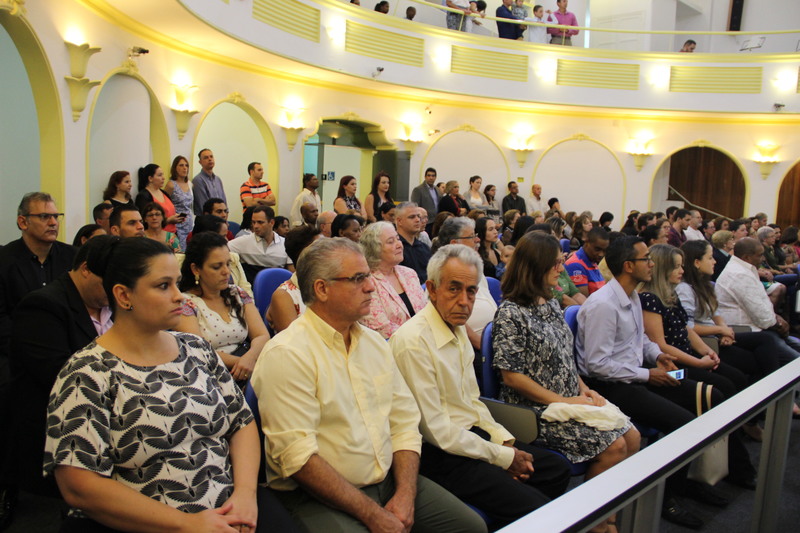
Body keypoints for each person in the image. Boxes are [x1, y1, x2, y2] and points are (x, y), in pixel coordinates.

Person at [43, 237, 297, 532]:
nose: (180, 296)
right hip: (153, 521)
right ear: (124, 296)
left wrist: (245, 495)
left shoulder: (196, 349)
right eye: (163, 286)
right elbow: (79, 485)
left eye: (177, 284)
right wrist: (185, 524)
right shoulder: (87, 373)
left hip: (230, 504)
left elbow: (240, 423)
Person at [251, 238, 486, 533]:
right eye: (358, 278)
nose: (371, 286)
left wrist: (405, 494)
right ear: (322, 289)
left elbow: (404, 424)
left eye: (369, 276)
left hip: (388, 481)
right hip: (317, 495)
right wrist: (374, 515)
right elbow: (299, 459)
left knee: (471, 527)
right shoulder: (287, 354)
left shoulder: (374, 344)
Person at [391, 244, 571, 528]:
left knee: (556, 469)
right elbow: (437, 431)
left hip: (470, 435)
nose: (465, 301)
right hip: (438, 454)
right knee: (536, 506)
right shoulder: (413, 342)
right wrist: (501, 458)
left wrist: (503, 440)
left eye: (472, 290)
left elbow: (473, 402)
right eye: (454, 289)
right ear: (432, 289)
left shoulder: (457, 327)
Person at [492, 232, 639, 531]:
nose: (562, 269)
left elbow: (564, 357)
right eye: (555, 264)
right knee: (614, 446)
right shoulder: (510, 313)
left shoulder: (549, 304)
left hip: (568, 400)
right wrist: (564, 400)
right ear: (535, 267)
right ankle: (595, 524)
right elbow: (512, 376)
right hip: (534, 410)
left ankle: (605, 516)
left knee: (633, 437)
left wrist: (584, 389)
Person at [574, 236, 719, 529]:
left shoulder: (633, 295)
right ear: (629, 266)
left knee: (707, 396)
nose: (652, 264)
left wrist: (657, 357)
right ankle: (666, 498)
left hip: (637, 375)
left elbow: (639, 339)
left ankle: (685, 482)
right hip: (611, 386)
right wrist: (647, 374)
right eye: (646, 259)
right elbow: (596, 365)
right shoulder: (604, 304)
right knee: (684, 422)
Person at [640, 244, 756, 487]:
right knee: (718, 392)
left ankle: (733, 463)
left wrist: (706, 351)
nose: (682, 271)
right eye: (677, 266)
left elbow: (686, 330)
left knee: (734, 380)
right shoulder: (649, 299)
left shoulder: (670, 295)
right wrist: (698, 362)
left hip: (689, 358)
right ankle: (734, 469)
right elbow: (659, 345)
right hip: (673, 365)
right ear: (664, 269)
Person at [9, 236, 112, 498]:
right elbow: (63, 377)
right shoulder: (43, 306)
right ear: (86, 269)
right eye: (108, 282)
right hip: (69, 423)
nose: (115, 291)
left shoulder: (112, 304)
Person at [0, 192, 77, 522]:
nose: (52, 222)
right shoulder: (5, 261)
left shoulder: (70, 257)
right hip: (13, 352)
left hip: (62, 349)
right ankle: (8, 483)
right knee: (8, 395)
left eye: (55, 216)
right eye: (44, 217)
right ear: (23, 222)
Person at [678, 239, 782, 386]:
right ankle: (773, 394)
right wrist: (721, 329)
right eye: (710, 258)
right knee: (761, 361)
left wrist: (725, 331)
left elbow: (716, 312)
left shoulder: (706, 284)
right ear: (697, 263)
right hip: (707, 341)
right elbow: (688, 327)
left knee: (766, 340)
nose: (714, 261)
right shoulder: (684, 289)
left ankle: (773, 393)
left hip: (717, 335)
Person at [175, 232, 269, 382]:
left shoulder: (237, 293)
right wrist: (241, 363)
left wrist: (250, 358)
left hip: (249, 363)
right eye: (217, 267)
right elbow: (201, 351)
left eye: (228, 264)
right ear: (196, 269)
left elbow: (261, 335)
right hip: (212, 375)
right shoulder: (185, 304)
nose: (226, 272)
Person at [715, 238, 799, 364]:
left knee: (796, 345)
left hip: (759, 327)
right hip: (746, 331)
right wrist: (779, 323)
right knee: (796, 362)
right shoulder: (739, 274)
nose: (763, 259)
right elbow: (763, 318)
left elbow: (762, 304)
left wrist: (775, 317)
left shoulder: (744, 268)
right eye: (760, 255)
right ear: (747, 257)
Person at [359, 222, 427, 339]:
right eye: (391, 242)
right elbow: (381, 328)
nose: (399, 245)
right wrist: (419, 339)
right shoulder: (366, 282)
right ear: (374, 249)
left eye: (398, 239)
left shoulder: (409, 273)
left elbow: (426, 312)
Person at [265, 224, 321, 333]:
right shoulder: (284, 296)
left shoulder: (331, 285)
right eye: (322, 248)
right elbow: (294, 344)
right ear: (305, 256)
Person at [228, 206, 294, 282]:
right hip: (251, 291)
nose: (255, 226)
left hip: (278, 289)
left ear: (272, 222)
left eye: (260, 222)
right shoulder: (243, 241)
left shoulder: (286, 244)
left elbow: (291, 276)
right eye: (253, 222)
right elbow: (221, 249)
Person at [134, 163, 183, 234]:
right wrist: (168, 220)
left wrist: (177, 217)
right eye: (159, 175)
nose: (163, 178)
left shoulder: (164, 193)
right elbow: (145, 220)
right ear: (150, 178)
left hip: (172, 234)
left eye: (163, 175)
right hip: (156, 236)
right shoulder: (144, 196)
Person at [566, 227, 609, 296]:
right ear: (586, 242)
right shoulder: (575, 265)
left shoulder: (592, 261)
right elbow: (584, 302)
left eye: (604, 251)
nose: (601, 254)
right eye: (597, 249)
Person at [164, 155, 194, 251]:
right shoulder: (171, 185)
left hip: (189, 224)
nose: (184, 168)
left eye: (186, 165)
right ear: (175, 168)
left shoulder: (189, 184)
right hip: (178, 224)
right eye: (181, 165)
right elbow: (165, 203)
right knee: (180, 252)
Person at [396, 202, 431, 283]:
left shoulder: (424, 248)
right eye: (412, 217)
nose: (417, 220)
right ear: (399, 221)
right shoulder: (394, 248)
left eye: (418, 216)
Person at [192, 148, 227, 216]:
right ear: (200, 162)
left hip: (220, 220)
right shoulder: (198, 180)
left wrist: (224, 217)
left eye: (211, 156)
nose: (210, 159)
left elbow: (224, 203)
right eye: (206, 158)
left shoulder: (218, 180)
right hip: (206, 221)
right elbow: (204, 207)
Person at [410, 167, 441, 235]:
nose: (431, 178)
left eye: (433, 176)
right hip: (425, 222)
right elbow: (415, 206)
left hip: (436, 222)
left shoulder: (437, 189)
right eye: (429, 175)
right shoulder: (418, 189)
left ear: (435, 177)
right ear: (425, 177)